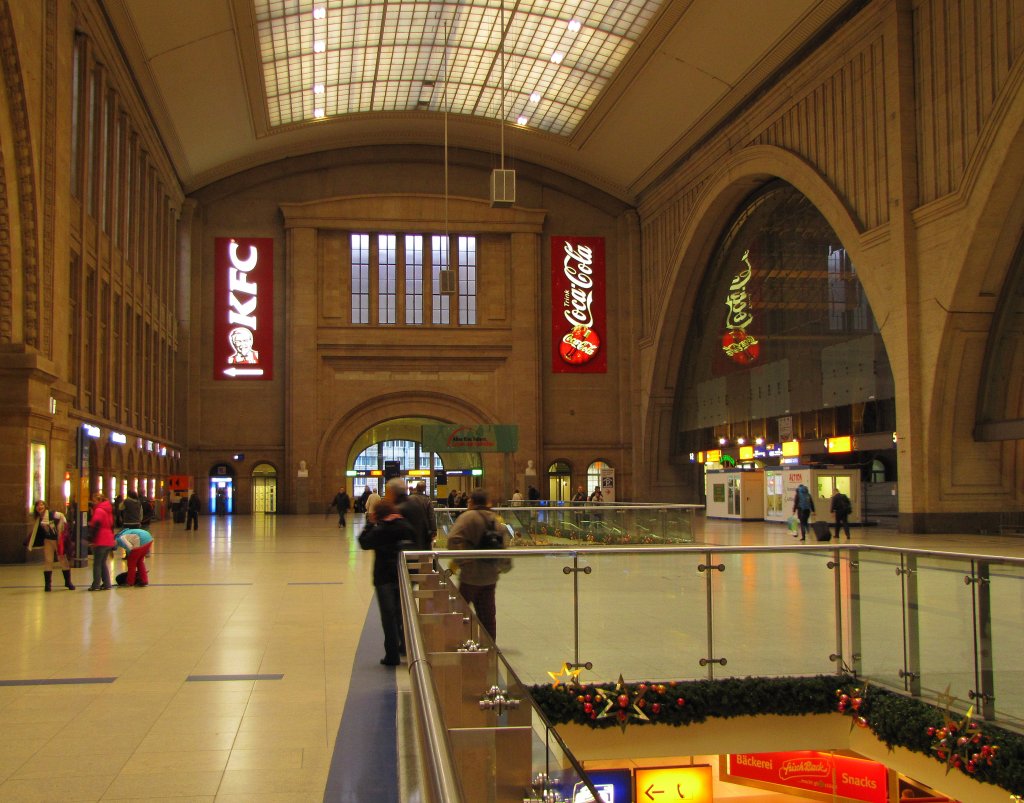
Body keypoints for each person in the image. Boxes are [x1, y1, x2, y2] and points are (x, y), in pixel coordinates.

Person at [357, 499, 415, 666]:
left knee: (388, 617)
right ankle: (406, 647)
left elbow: (364, 543)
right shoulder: (405, 526)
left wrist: (369, 524)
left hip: (384, 578)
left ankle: (392, 654)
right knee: (402, 613)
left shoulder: (380, 529)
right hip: (403, 576)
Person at [446, 488, 509, 640]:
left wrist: (462, 559)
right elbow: (504, 544)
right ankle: (490, 651)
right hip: (490, 576)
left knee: (459, 611)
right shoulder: (495, 519)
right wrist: (503, 565)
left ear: (472, 501)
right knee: (488, 617)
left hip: (470, 575)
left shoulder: (467, 517)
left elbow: (452, 540)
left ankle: (454, 641)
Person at [27, 500, 75, 592]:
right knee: (48, 561)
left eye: (41, 505)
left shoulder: (53, 514)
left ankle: (68, 582)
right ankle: (47, 584)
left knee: (62, 559)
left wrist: (61, 529)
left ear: (45, 506)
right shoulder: (39, 518)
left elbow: (62, 517)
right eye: (37, 505)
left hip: (57, 540)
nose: (39, 507)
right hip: (48, 540)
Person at [88, 492, 116, 591]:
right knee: (103, 562)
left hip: (101, 539)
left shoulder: (99, 510)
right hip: (108, 539)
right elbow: (112, 524)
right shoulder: (108, 510)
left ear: (98, 501)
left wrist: (92, 539)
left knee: (97, 563)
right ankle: (107, 584)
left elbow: (96, 525)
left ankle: (96, 585)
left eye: (94, 500)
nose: (93, 502)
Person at [401, 480, 436, 551]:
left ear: (416, 487)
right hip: (424, 530)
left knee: (411, 550)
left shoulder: (409, 498)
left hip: (411, 528)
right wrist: (433, 530)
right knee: (424, 551)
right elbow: (431, 516)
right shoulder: (427, 500)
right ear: (424, 489)